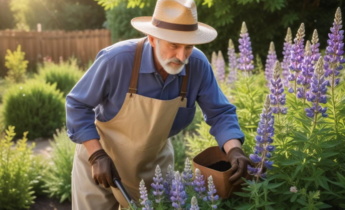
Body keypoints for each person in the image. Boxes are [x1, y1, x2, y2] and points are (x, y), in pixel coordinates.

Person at [66, 0, 251, 209]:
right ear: (153, 39)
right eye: (174, 45)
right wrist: (96, 154)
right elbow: (77, 104)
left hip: (152, 167)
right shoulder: (117, 60)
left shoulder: (197, 66)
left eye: (188, 47)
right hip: (100, 160)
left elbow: (220, 113)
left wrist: (234, 150)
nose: (182, 56)